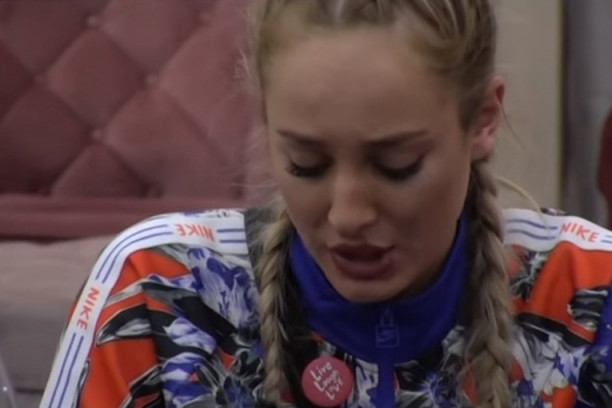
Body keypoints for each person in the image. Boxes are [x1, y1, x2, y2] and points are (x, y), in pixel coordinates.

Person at [39, 1, 612, 407]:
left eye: (397, 165)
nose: (347, 216)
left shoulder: (591, 296)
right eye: (306, 164)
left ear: (483, 119)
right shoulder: (157, 289)